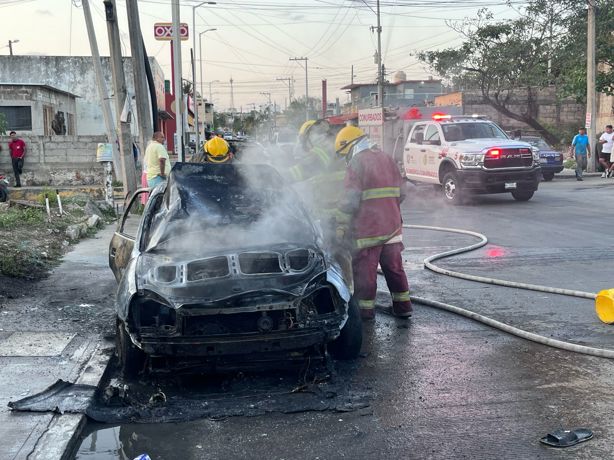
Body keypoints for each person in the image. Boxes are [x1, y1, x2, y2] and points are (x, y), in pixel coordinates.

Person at [335, 125, 412, 321]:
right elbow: (402, 192)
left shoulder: (357, 162)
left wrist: (341, 226)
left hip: (368, 231)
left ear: (351, 146)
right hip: (393, 227)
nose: (346, 158)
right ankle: (403, 307)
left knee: (365, 274)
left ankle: (364, 312)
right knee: (395, 269)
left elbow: (349, 200)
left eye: (345, 154)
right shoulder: (386, 157)